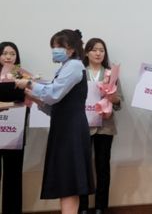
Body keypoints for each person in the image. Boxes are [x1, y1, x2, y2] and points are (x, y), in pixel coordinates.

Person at [15, 29, 94, 214]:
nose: (55, 50)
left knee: (68, 182)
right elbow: (54, 106)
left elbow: (53, 94)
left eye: (59, 46)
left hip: (71, 130)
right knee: (67, 182)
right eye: (53, 46)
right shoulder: (65, 67)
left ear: (71, 49)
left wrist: (29, 83)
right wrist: (33, 97)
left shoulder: (74, 66)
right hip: (63, 128)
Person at [79, 38, 122, 214]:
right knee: (82, 167)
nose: (98, 53)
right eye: (94, 50)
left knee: (103, 166)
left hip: (105, 126)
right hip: (82, 126)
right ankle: (82, 207)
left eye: (101, 50)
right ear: (86, 52)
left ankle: (100, 207)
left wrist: (113, 98)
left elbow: (119, 103)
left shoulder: (111, 74)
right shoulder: (79, 72)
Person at [0, 41, 28, 214]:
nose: (8, 57)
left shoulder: (22, 76)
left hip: (15, 132)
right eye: (5, 53)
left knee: (13, 176)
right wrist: (12, 104)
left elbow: (27, 102)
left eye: (12, 54)